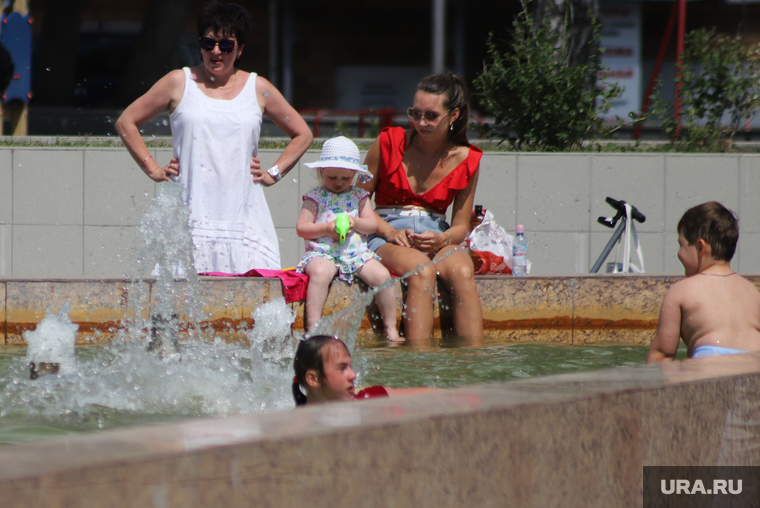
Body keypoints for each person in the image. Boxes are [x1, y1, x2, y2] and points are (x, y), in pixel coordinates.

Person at [115, 1, 312, 273]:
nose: (216, 52)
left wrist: (274, 173)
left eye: (226, 45)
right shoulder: (179, 81)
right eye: (209, 43)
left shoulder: (259, 88)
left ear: (240, 49)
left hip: (244, 219)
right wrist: (152, 168)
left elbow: (302, 133)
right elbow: (126, 121)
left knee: (248, 307)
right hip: (190, 217)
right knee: (180, 308)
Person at [361, 73, 483, 342]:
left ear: (454, 116)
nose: (420, 122)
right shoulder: (387, 142)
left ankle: (473, 363)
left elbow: (461, 226)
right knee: (421, 269)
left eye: (430, 115)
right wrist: (389, 232)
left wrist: (443, 238)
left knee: (463, 270)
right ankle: (419, 363)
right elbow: (356, 201)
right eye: (415, 114)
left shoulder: (468, 159)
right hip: (384, 233)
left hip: (436, 235)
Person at [296, 137, 402, 342]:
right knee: (319, 273)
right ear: (321, 172)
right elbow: (302, 228)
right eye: (332, 177)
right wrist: (326, 229)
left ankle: (390, 327)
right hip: (323, 253)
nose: (338, 182)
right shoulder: (315, 197)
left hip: (355, 253)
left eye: (345, 178)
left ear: (354, 174)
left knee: (382, 276)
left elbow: (372, 225)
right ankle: (313, 328)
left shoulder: (360, 197)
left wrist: (355, 222)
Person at [647, 202, 760, 362]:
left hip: (708, 361)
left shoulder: (680, 291)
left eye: (681, 244)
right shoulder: (752, 292)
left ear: (700, 247)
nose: (679, 253)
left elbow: (661, 355)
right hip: (753, 365)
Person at [292, 335, 431, 405]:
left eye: (350, 366)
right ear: (313, 379)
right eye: (342, 368)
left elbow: (436, 397)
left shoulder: (369, 400)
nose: (353, 375)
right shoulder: (294, 428)